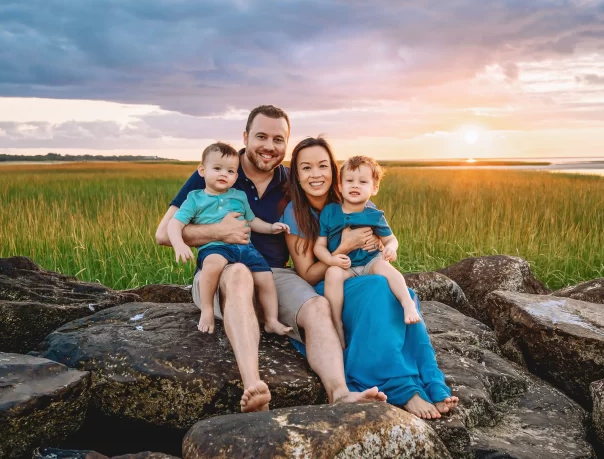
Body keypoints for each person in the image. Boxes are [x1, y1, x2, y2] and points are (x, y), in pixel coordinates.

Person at [155, 105, 387, 413]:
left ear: (286, 143)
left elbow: (345, 199)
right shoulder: (219, 167)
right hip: (222, 268)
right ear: (245, 137)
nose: (269, 146)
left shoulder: (293, 179)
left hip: (275, 274)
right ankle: (254, 387)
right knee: (238, 273)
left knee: (317, 306)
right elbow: (162, 234)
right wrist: (218, 231)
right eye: (261, 136)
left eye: (278, 139)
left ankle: (340, 392)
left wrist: (373, 235)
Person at [281, 136, 459, 419]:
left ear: (334, 172)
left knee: (403, 297)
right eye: (306, 168)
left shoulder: (354, 197)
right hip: (330, 281)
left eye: (323, 166)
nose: (316, 174)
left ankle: (432, 382)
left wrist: (380, 246)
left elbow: (382, 239)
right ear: (297, 175)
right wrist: (344, 246)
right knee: (379, 290)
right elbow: (306, 273)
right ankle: (402, 388)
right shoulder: (295, 213)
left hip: (364, 272)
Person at [167, 141, 292, 336]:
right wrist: (179, 244)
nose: (224, 174)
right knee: (212, 264)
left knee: (266, 277)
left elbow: (252, 220)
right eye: (217, 168)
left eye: (231, 171)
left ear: (236, 176)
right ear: (202, 171)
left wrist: (271, 227)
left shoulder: (239, 196)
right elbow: (174, 224)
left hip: (245, 248)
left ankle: (271, 320)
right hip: (215, 247)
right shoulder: (195, 198)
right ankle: (207, 310)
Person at [313, 155, 420, 349]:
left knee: (384, 267)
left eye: (363, 182)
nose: (355, 186)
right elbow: (319, 245)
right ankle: (336, 323)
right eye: (349, 181)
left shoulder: (374, 215)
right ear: (339, 186)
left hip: (369, 263)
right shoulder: (330, 212)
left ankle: (407, 303)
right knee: (332, 273)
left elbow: (391, 239)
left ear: (374, 188)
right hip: (346, 266)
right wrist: (331, 259)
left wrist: (390, 248)